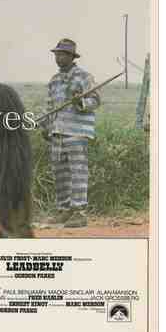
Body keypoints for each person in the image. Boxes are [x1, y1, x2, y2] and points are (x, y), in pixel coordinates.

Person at [42, 39, 100, 228]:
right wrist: (45, 126)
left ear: (71, 56)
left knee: (78, 173)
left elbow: (96, 101)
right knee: (60, 174)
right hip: (57, 133)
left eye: (62, 54)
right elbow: (49, 106)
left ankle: (79, 213)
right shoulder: (54, 80)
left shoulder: (84, 77)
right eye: (56, 54)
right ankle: (64, 211)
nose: (58, 58)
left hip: (77, 132)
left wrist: (80, 102)